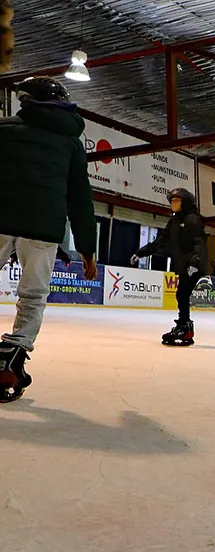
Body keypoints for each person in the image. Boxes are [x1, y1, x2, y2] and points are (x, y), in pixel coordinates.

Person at [0, 76, 98, 403]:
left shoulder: (3, 129)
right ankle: (12, 355)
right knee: (32, 296)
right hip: (43, 227)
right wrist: (87, 248)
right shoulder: (70, 143)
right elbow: (80, 199)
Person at [131, 188, 206, 346]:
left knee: (182, 294)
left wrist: (194, 262)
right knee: (181, 295)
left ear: (185, 203)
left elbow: (199, 242)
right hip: (183, 264)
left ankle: (184, 327)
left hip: (193, 264)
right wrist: (141, 252)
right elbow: (161, 241)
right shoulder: (174, 221)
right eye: (172, 201)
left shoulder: (193, 219)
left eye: (177, 201)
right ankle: (185, 327)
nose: (173, 204)